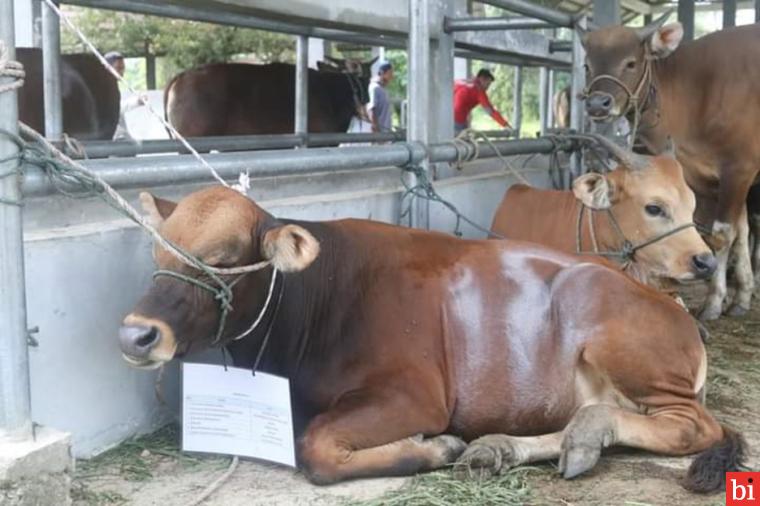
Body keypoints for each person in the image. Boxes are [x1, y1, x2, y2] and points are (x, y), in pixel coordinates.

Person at [453, 68, 511, 134]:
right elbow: (491, 111)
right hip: (458, 120)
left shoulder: (463, 82)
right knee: (463, 141)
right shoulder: (479, 91)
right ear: (482, 79)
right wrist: (505, 124)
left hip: (446, 116)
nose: (487, 88)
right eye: (488, 84)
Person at [105, 51, 144, 141]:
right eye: (118, 68)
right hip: (114, 139)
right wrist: (136, 102)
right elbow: (113, 108)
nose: (122, 73)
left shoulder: (112, 88)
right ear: (107, 68)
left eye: (123, 69)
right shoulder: (103, 88)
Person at [367, 60, 394, 133]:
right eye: (390, 73)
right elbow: (372, 109)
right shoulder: (375, 88)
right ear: (382, 73)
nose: (392, 76)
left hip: (385, 132)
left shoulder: (383, 89)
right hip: (379, 134)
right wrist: (376, 131)